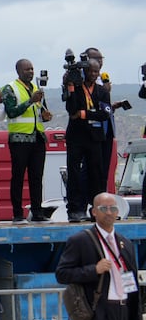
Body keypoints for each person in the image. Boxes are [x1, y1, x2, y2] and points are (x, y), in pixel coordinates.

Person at [1, 59, 53, 221]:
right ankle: (17, 213)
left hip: (37, 137)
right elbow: (11, 112)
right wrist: (30, 100)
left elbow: (39, 112)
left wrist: (45, 115)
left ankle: (37, 212)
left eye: (32, 69)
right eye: (26, 69)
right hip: (19, 139)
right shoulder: (10, 88)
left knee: (36, 177)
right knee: (18, 176)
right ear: (18, 71)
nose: (30, 72)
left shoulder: (36, 88)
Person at [65, 59, 115, 221]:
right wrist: (70, 86)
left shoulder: (102, 91)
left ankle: (97, 208)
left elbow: (105, 114)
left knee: (96, 173)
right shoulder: (77, 89)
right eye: (90, 71)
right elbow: (71, 110)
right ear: (84, 71)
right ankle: (75, 209)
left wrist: (83, 114)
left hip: (95, 137)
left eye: (96, 71)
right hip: (76, 137)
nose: (93, 74)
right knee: (74, 173)